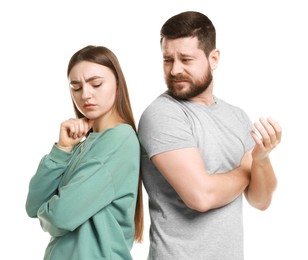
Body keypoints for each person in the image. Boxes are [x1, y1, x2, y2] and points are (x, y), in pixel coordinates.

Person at [138, 11, 282, 260]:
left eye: (186, 59)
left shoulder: (237, 116)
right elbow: (201, 196)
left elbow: (260, 201)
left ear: (213, 58)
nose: (175, 70)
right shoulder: (161, 114)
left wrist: (260, 159)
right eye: (167, 59)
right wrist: (246, 171)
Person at [26, 45, 143, 260]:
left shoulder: (119, 139)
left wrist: (48, 212)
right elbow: (33, 205)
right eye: (76, 87)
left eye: (96, 84)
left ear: (117, 83)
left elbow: (60, 216)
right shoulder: (84, 143)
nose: (86, 95)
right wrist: (62, 149)